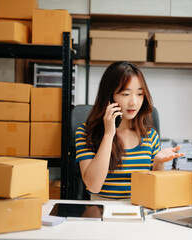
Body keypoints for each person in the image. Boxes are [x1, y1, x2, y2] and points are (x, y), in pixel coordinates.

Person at [75, 61, 184, 199]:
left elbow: (153, 190)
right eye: (126, 94)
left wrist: (158, 162)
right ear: (109, 96)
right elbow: (93, 186)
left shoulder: (150, 135)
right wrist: (108, 135)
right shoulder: (86, 133)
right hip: (102, 210)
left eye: (139, 94)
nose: (134, 102)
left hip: (139, 208)